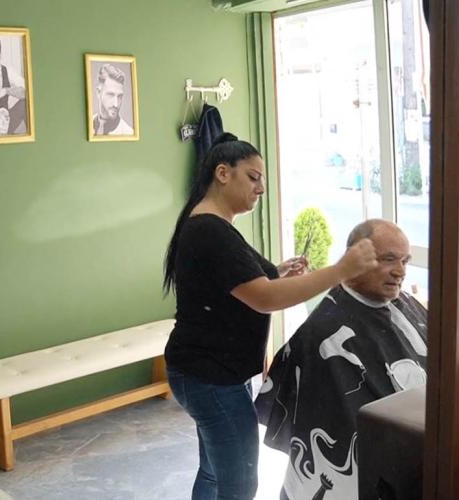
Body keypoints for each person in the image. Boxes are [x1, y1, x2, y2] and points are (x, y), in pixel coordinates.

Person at [162, 133, 378, 500]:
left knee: (213, 473)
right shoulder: (210, 231)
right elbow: (264, 299)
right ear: (223, 173)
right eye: (253, 177)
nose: (261, 188)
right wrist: (340, 270)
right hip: (210, 377)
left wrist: (276, 272)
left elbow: (234, 286)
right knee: (239, 483)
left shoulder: (210, 225)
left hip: (204, 371)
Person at [254, 219, 428, 500]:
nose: (400, 271)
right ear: (353, 258)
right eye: (388, 259)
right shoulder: (320, 335)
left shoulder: (407, 305)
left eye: (405, 261)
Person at [92, 63, 134, 136]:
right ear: (98, 92)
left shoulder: (128, 133)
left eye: (119, 96)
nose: (116, 104)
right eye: (110, 95)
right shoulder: (87, 124)